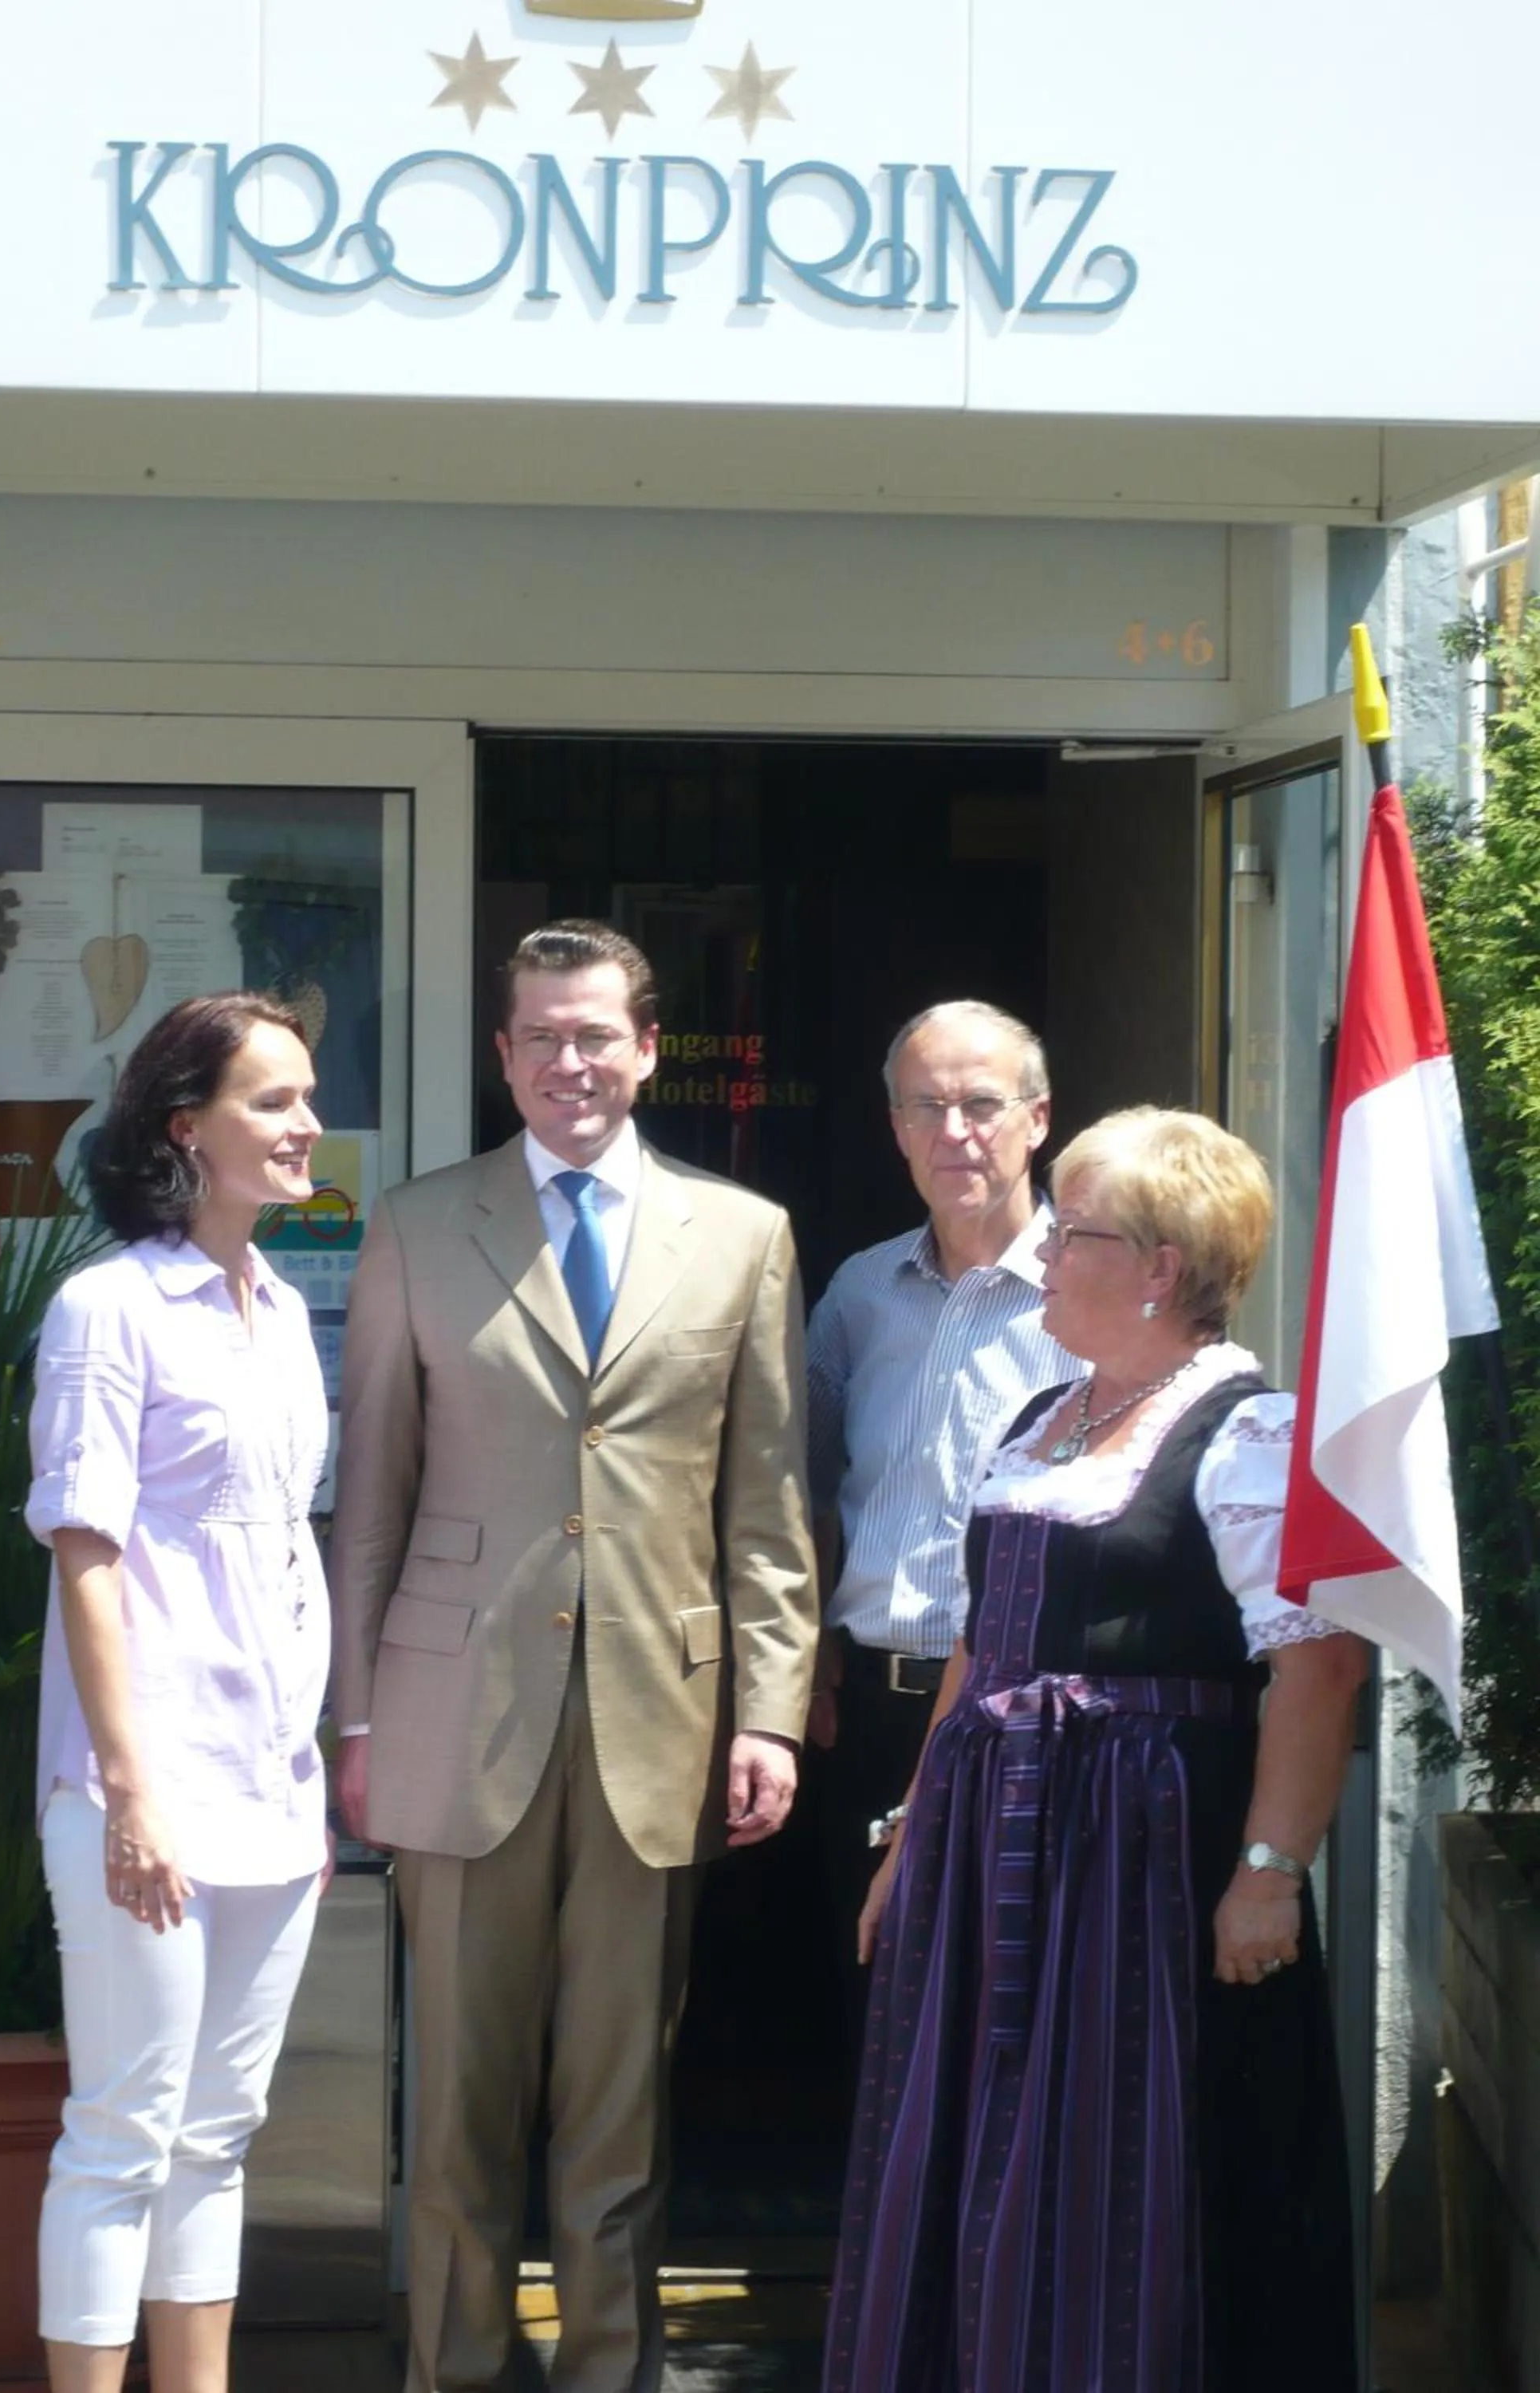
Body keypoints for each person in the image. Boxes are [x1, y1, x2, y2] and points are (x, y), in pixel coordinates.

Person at [329, 918, 817, 2393]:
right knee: (460, 2112)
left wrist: (771, 1714)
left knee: (622, 2113)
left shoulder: (744, 1235)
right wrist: (358, 1721)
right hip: (452, 1716)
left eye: (595, 1033)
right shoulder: (420, 1223)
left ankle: (614, 2371)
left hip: (660, 1720)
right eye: (539, 1036)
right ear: (502, 1055)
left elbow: (768, 1505)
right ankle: (458, 2373)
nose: (568, 1062)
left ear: (649, 1048)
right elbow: (374, 1501)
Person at [824, 1106, 1370, 2393]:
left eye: (1075, 1233)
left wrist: (1270, 1872)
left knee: (1119, 2142)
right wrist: (911, 1838)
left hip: (1141, 1858)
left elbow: (1321, 1667)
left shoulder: (1248, 1433)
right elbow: (980, 1648)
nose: (1047, 1256)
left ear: (1160, 1267)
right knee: (971, 2132)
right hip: (995, 1848)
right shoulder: (1043, 1418)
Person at [26, 992, 330, 2393]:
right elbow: (86, 1557)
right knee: (123, 2132)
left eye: (306, 1096)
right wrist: (131, 1792)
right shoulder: (109, 1306)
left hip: (271, 1785)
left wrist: (306, 1767)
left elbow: (281, 1553)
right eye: (272, 1101)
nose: (305, 1124)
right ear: (184, 1125)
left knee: (219, 2133)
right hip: (143, 1787)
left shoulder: (282, 1308)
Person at [805, 1002, 1077, 2067]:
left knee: (1018, 2013)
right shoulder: (859, 1294)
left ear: (1038, 1118)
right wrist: (810, 1661)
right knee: (876, 2007)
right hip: (875, 1707)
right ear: (896, 1129)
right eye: (926, 1107)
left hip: (1032, 1709)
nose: (954, 1132)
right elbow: (803, 1488)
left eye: (981, 1104)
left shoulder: (1096, 1290)